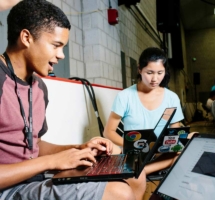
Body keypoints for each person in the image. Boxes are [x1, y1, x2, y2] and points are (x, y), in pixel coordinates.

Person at [0, 1, 146, 200]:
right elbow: (44, 160)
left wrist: (78, 149)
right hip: (8, 190)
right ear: (26, 37)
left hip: (36, 179)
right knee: (119, 193)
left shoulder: (39, 87)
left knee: (135, 173)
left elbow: (35, 145)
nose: (61, 55)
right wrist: (52, 162)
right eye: (56, 45)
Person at [104, 47, 185, 175]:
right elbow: (108, 132)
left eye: (160, 73)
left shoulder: (172, 98)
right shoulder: (125, 96)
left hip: (160, 154)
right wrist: (134, 146)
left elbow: (174, 133)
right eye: (149, 72)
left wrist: (161, 148)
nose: (155, 79)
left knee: (185, 148)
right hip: (133, 154)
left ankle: (142, 171)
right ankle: (141, 169)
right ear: (140, 69)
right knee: (109, 150)